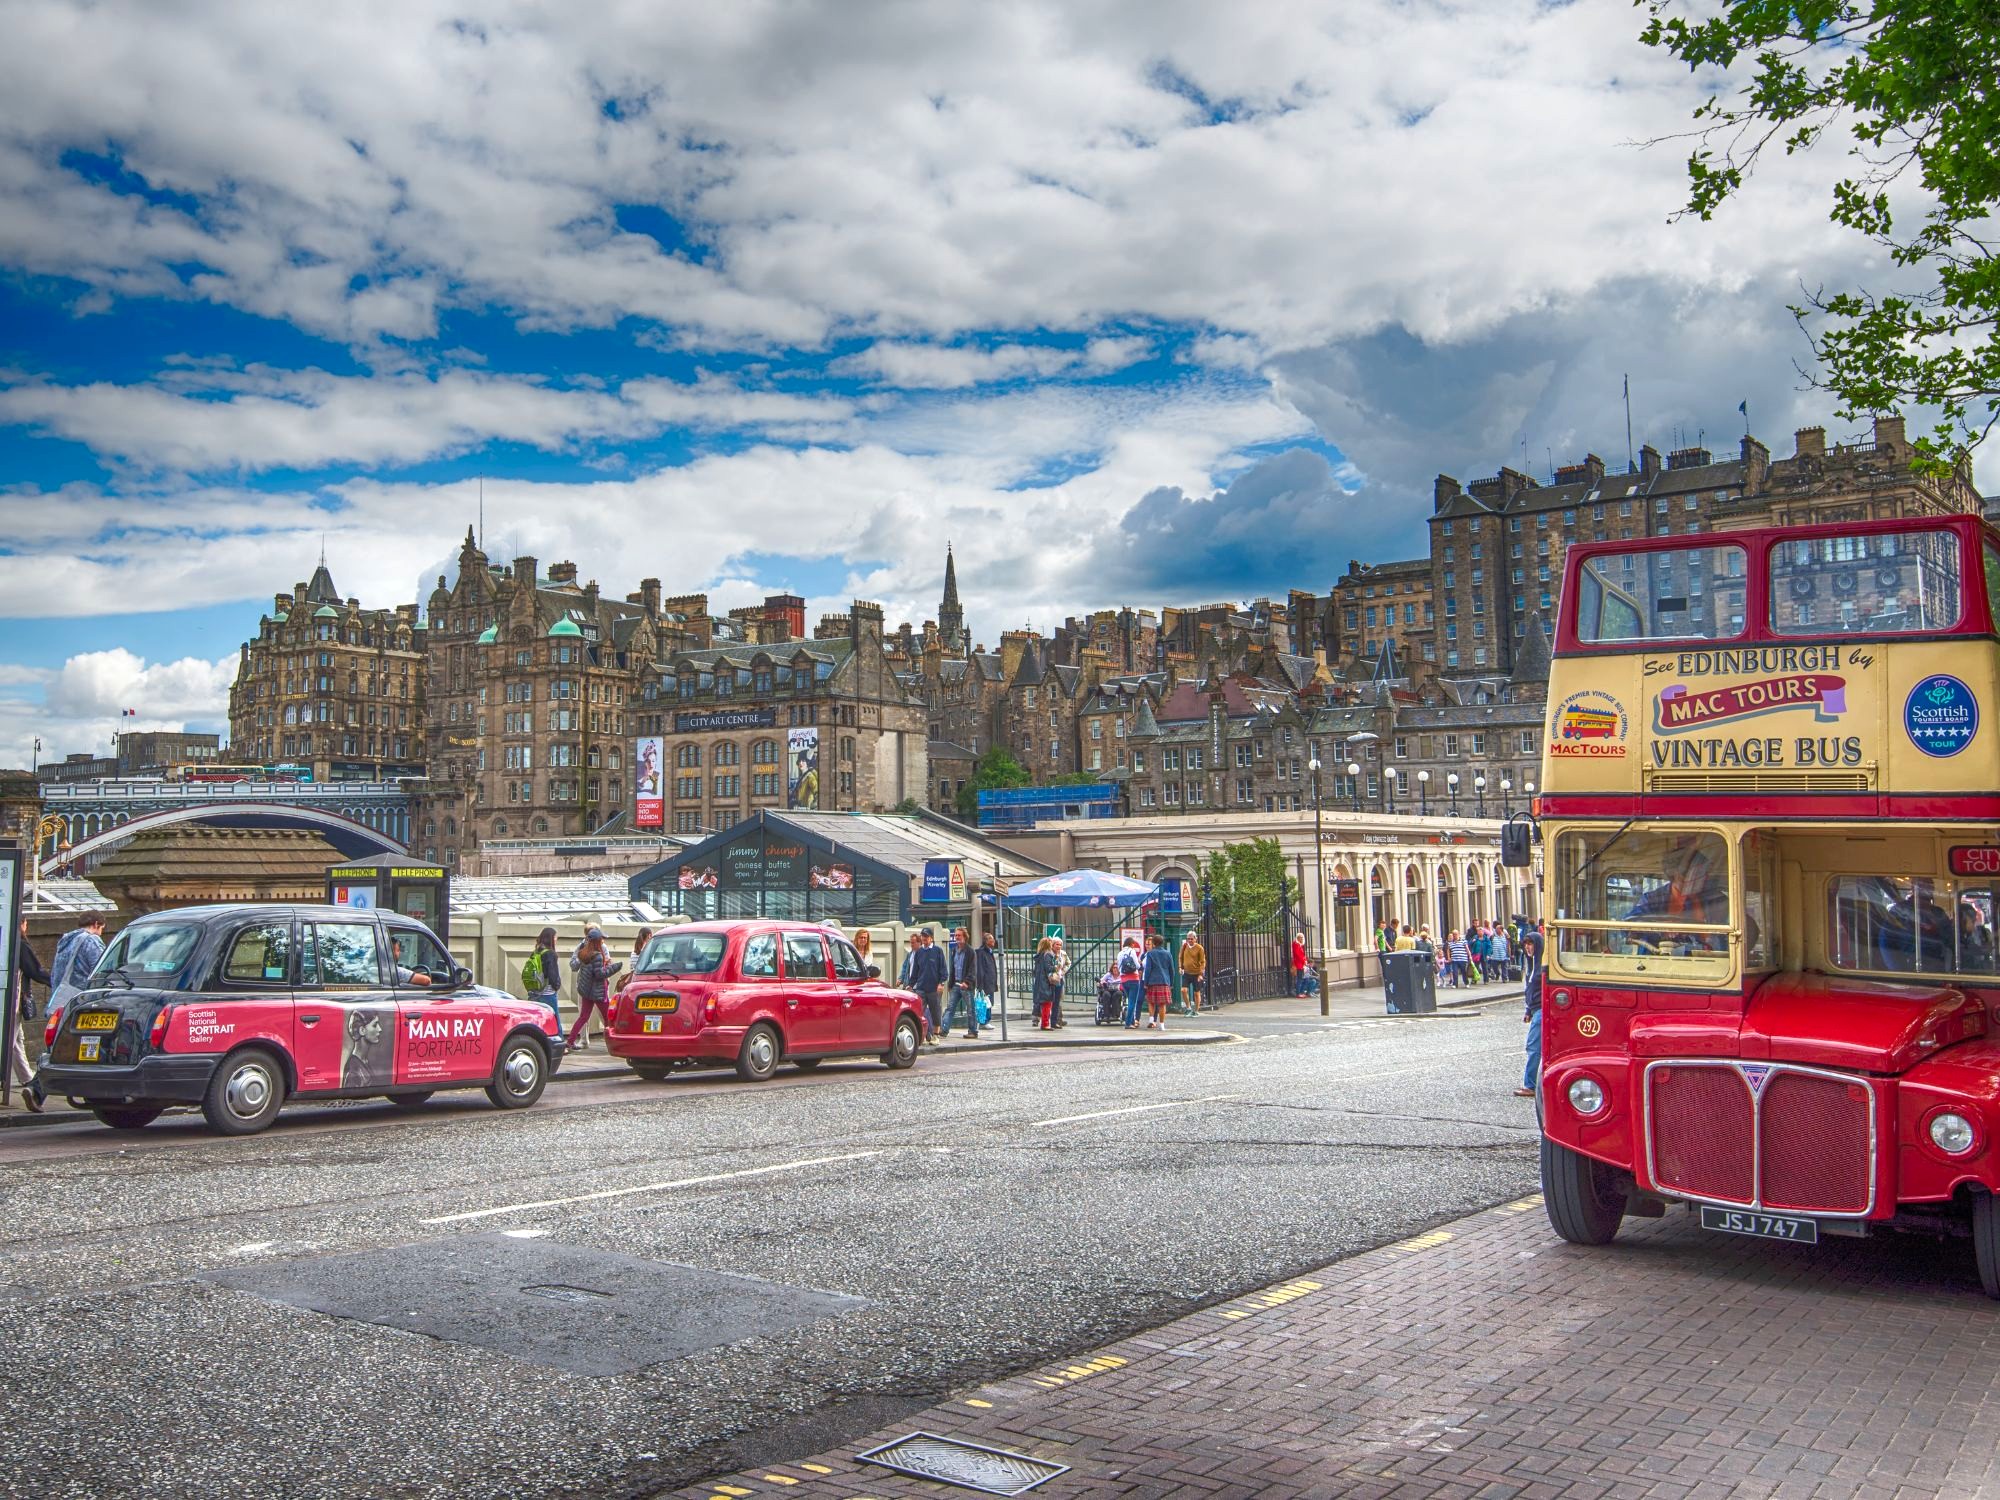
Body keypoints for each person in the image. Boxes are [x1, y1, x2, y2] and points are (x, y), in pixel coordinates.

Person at [10, 918, 49, 1111]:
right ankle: (27, 1078)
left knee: (17, 1038)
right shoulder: (20, 943)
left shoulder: (8, 940)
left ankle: (26, 1076)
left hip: (10, 998)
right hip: (14, 998)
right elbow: (35, 970)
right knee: (11, 1037)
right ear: (22, 924)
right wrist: (54, 981)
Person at [46, 912, 107, 1029]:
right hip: (82, 998)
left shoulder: (66, 940)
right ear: (96, 924)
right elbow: (101, 970)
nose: (101, 933)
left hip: (62, 996)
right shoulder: (91, 940)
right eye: (102, 928)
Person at [566, 926, 622, 1051]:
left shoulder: (583, 953)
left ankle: (570, 1041)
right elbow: (599, 974)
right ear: (597, 941)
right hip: (598, 992)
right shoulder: (597, 956)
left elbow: (583, 969)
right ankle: (614, 1043)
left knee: (583, 1017)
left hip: (586, 991)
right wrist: (614, 967)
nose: (603, 941)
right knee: (608, 1018)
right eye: (601, 939)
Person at [1516, 920, 1547, 1098]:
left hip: (1542, 1010)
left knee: (1533, 1047)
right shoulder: (1530, 964)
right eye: (1526, 944)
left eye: (1531, 944)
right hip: (1535, 1010)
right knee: (1538, 1047)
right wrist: (1528, 1010)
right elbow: (1530, 989)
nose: (1528, 947)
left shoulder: (1542, 965)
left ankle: (1530, 1085)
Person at [941, 927, 980, 1039]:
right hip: (956, 984)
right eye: (956, 935)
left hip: (966, 986)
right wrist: (950, 984)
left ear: (965, 937)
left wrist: (967, 982)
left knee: (970, 1009)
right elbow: (953, 968)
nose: (957, 937)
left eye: (959, 935)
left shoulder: (970, 951)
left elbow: (972, 969)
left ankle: (973, 1031)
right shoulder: (954, 951)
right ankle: (944, 1029)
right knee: (950, 1008)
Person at [911, 928, 948, 1044]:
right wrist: (910, 985)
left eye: (926, 936)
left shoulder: (938, 951)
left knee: (935, 1011)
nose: (924, 938)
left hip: (934, 988)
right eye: (923, 936)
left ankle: (935, 1036)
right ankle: (922, 1035)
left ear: (931, 938)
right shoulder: (919, 952)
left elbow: (943, 969)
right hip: (921, 988)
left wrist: (941, 983)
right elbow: (915, 971)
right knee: (919, 1012)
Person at [522, 926, 562, 1027]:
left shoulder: (536, 952)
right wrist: (557, 986)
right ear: (551, 938)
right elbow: (553, 976)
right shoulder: (550, 954)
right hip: (548, 994)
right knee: (554, 1023)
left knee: (537, 1023)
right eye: (555, 937)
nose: (556, 939)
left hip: (534, 993)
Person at [1142, 933, 1174, 1029]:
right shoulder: (1168, 954)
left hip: (1152, 981)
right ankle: (1162, 1025)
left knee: (1151, 1001)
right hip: (1164, 981)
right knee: (1162, 1004)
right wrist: (1171, 983)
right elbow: (1171, 970)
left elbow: (1148, 969)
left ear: (1154, 943)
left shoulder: (1150, 953)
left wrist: (1145, 982)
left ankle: (1151, 1019)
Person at [1032, 936, 1063, 1030]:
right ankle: (1045, 1024)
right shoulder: (1048, 954)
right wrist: (1057, 967)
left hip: (1039, 981)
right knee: (1047, 1003)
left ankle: (1043, 1022)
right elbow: (1048, 968)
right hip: (1046, 982)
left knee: (1043, 1003)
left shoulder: (1040, 955)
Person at [973, 931, 1000, 1032]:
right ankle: (984, 1021)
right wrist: (980, 984)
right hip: (985, 982)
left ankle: (986, 1021)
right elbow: (980, 969)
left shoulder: (990, 952)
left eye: (993, 939)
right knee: (985, 1003)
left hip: (990, 981)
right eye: (991, 939)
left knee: (989, 1002)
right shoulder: (981, 952)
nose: (993, 941)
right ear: (986, 941)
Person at [1116, 936, 1145, 1029]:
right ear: (1131, 944)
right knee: (1132, 1002)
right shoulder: (1132, 951)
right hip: (1133, 979)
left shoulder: (1120, 953)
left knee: (1130, 1000)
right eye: (1133, 944)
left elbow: (1119, 967)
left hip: (1123, 980)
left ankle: (1132, 1022)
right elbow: (1137, 965)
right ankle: (1128, 1023)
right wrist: (1140, 964)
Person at [1178, 931, 1206, 1013]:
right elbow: (1180, 957)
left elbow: (1203, 962)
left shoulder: (1199, 948)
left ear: (1195, 939)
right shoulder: (1184, 946)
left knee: (1196, 993)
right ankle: (1188, 1007)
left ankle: (1196, 1010)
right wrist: (1180, 967)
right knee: (1183, 990)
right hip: (1186, 972)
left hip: (1196, 973)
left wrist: (1200, 974)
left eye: (1191, 939)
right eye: (1188, 939)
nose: (1189, 940)